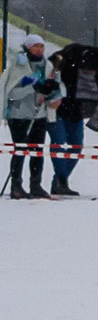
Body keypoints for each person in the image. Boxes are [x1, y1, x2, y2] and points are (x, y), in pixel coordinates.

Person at [47, 41, 98, 197]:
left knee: (76, 146)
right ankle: (61, 180)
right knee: (58, 143)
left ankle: (60, 180)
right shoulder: (66, 60)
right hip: (56, 109)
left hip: (76, 111)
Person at [5, 35, 56, 200]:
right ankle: (16, 185)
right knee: (20, 149)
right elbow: (11, 94)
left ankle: (35, 184)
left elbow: (53, 87)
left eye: (41, 46)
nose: (39, 50)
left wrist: (50, 90)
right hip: (19, 115)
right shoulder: (19, 66)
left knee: (37, 150)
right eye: (35, 46)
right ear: (28, 48)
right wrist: (32, 88)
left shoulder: (47, 66)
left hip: (39, 114)